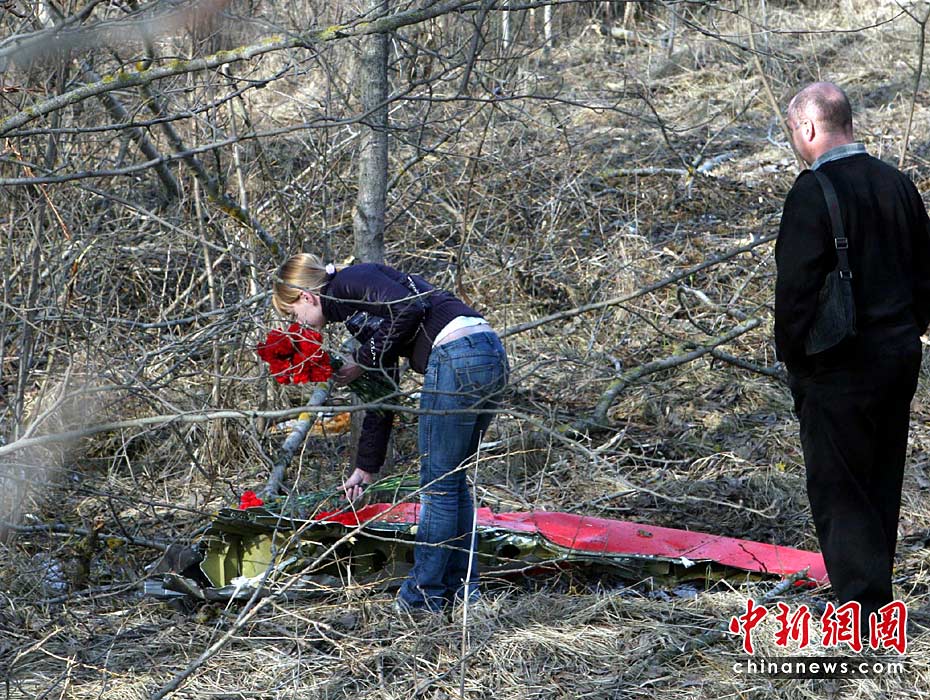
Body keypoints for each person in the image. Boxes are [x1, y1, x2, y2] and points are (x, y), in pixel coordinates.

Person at [775, 82, 930, 633]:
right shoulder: (897, 183)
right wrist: (910, 330)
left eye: (793, 131)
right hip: (898, 357)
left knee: (840, 489)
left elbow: (795, 292)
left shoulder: (812, 192)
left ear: (809, 127)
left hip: (836, 365)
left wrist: (794, 360)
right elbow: (925, 272)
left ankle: (862, 616)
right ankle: (874, 602)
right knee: (881, 478)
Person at [272, 253, 509, 613]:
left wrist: (362, 359)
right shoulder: (357, 310)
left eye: (293, 314)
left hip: (457, 355)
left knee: (438, 486)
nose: (298, 324)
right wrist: (365, 467)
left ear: (306, 297)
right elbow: (385, 393)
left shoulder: (351, 281)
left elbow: (410, 307)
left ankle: (421, 598)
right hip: (486, 353)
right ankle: (463, 592)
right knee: (451, 481)